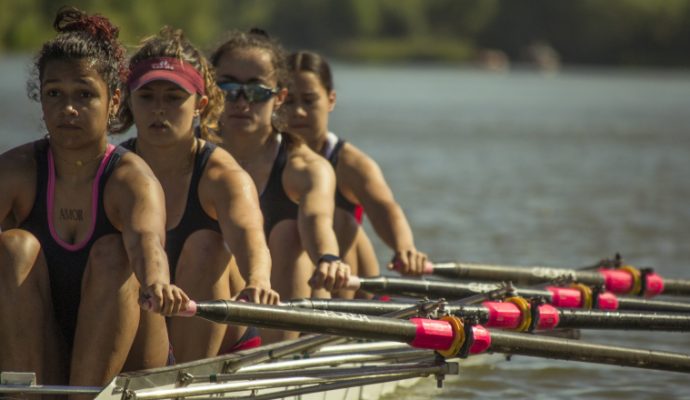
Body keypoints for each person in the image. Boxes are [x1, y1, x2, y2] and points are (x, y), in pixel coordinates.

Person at [0, 7, 186, 393]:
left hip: (130, 363)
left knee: (114, 253)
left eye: (84, 94)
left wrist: (157, 282)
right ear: (42, 99)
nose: (68, 108)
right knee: (13, 247)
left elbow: (146, 243)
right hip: (43, 347)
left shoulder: (132, 180)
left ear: (115, 100)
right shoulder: (14, 170)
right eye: (55, 94)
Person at [116, 27, 278, 362]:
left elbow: (252, 242)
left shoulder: (222, 175)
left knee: (206, 245)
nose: (159, 109)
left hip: (220, 345)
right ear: (129, 100)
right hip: (149, 331)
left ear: (200, 106)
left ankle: (188, 377)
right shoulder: (114, 171)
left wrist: (258, 280)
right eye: (147, 97)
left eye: (174, 97)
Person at [210, 29, 350, 341]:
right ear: (210, 90)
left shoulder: (306, 168)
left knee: (286, 235)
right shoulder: (185, 156)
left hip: (280, 316)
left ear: (279, 98)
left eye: (257, 91)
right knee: (205, 245)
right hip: (215, 315)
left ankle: (278, 359)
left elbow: (317, 221)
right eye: (228, 87)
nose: (242, 101)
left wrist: (329, 258)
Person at [285, 51, 429, 296]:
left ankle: (342, 320)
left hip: (344, 280)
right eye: (290, 101)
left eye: (309, 101)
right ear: (276, 101)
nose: (299, 111)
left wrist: (405, 249)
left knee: (342, 221)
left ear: (331, 100)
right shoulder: (263, 155)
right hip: (292, 278)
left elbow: (386, 208)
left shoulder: (351, 163)